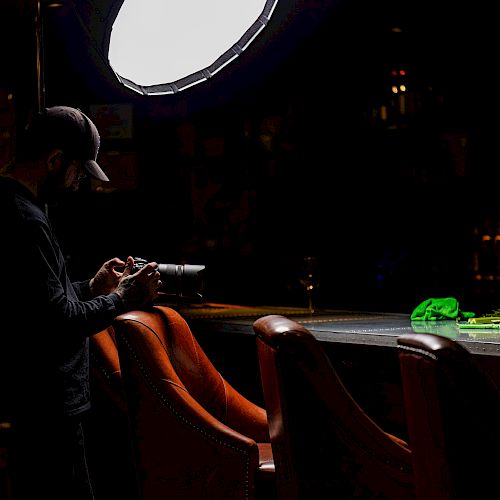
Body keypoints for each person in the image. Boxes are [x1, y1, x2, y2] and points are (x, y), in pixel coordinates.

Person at [0, 105, 162, 500]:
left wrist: (91, 287)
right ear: (55, 160)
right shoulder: (27, 220)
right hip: (46, 412)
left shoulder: (10, 207)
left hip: (29, 405)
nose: (78, 182)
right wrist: (125, 296)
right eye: (77, 170)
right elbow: (60, 321)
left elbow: (32, 303)